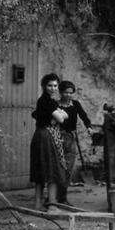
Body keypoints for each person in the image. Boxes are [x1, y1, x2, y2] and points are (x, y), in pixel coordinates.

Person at [29, 73, 68, 211]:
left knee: (40, 170)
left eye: (55, 85)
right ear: (44, 86)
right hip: (47, 136)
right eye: (50, 85)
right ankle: (52, 204)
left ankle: (38, 204)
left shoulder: (44, 101)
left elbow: (61, 116)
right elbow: (62, 118)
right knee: (52, 169)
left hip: (40, 135)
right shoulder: (48, 101)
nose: (53, 88)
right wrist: (60, 113)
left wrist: (59, 114)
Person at [56, 81, 94, 205]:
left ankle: (62, 197)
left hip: (70, 137)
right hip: (57, 137)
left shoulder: (75, 104)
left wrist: (89, 126)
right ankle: (53, 197)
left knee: (68, 168)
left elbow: (83, 116)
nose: (68, 95)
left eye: (70, 93)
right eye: (65, 92)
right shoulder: (55, 105)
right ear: (60, 92)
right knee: (58, 168)